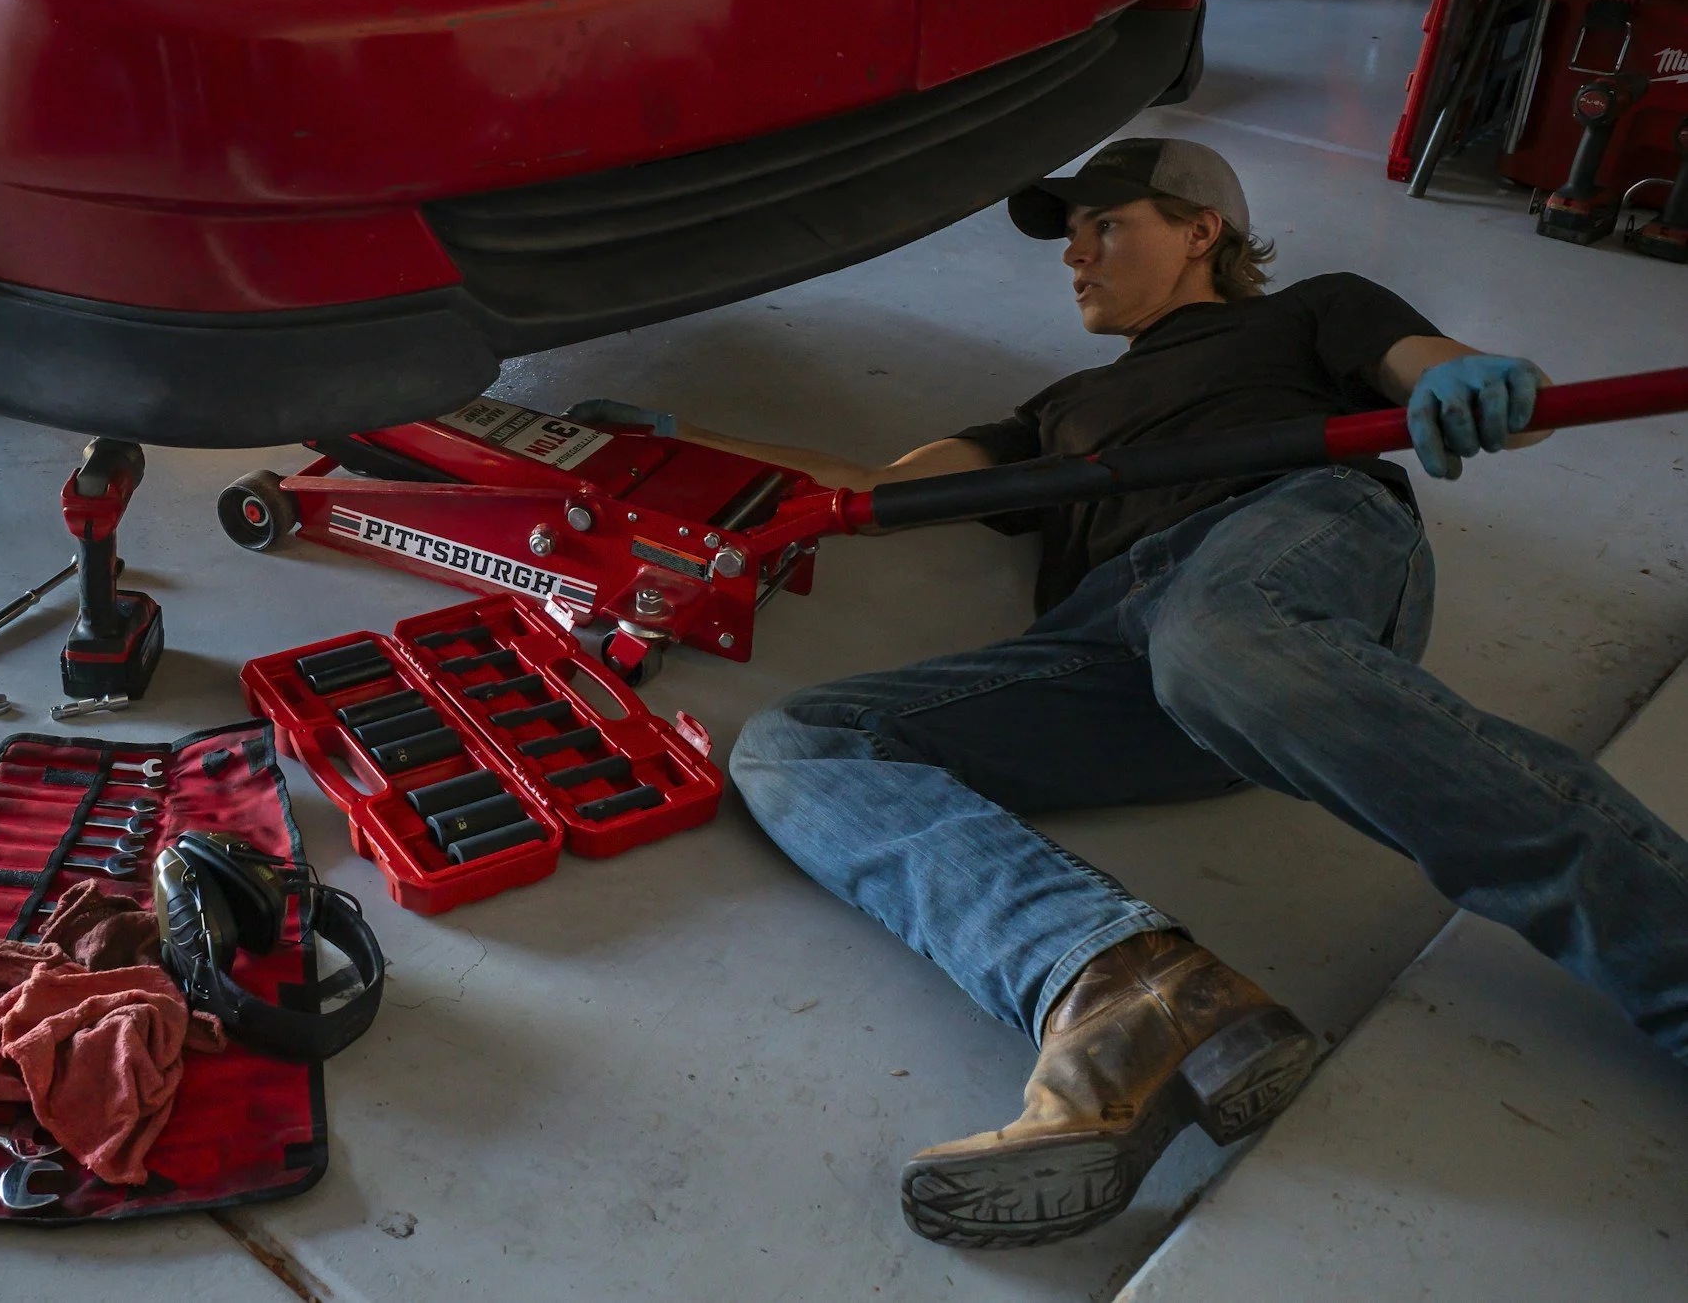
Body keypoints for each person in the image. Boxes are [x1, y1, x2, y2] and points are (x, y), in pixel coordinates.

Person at [588, 138, 1688, 1251]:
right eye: (1067, 235)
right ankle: (1128, 996)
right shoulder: (1056, 410)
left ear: (1200, 228)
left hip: (1281, 536)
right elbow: (868, 488)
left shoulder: (1308, 311)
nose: (1072, 252)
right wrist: (665, 443)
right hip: (1116, 641)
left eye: (1101, 223)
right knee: (798, 744)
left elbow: (1451, 372)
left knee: (1217, 645)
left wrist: (1488, 383)